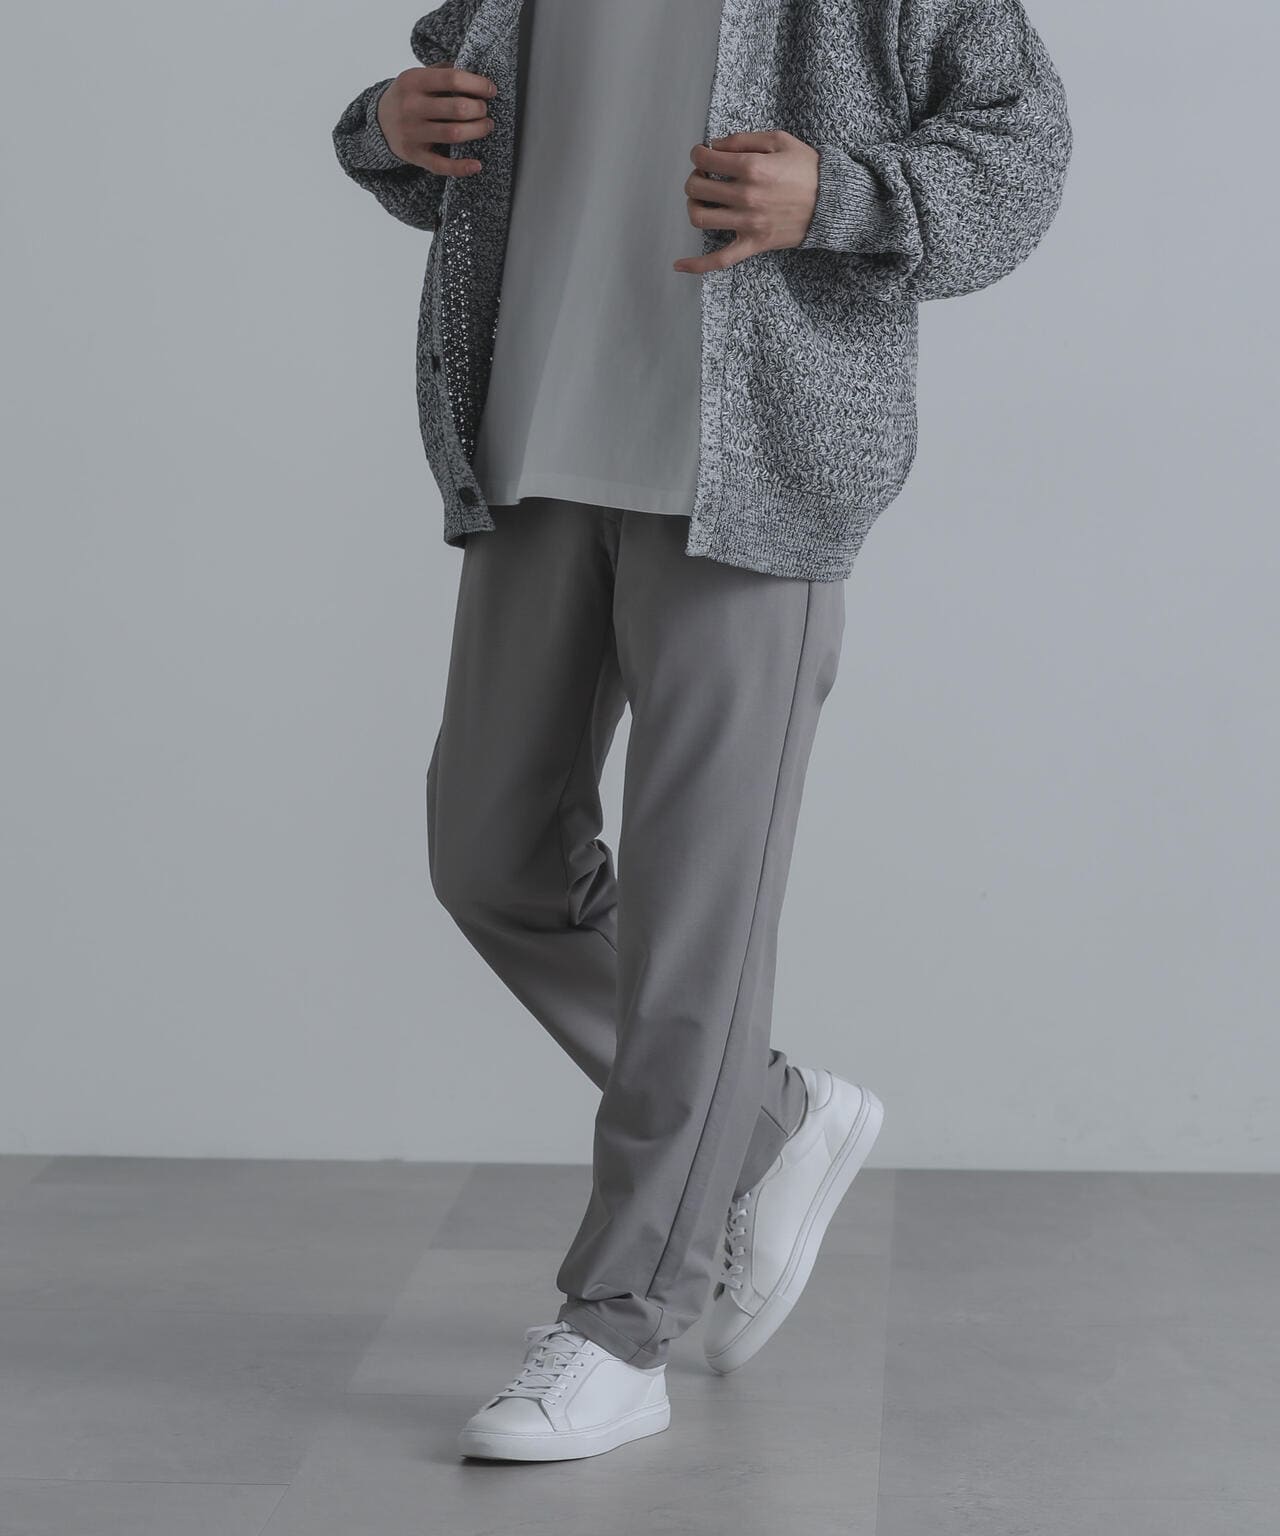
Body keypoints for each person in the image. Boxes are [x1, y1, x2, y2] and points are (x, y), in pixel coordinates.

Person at [333, 0, 1071, 1463]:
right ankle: (771, 1125)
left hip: (755, 476)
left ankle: (623, 1325)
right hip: (536, 442)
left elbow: (1020, 154)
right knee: (491, 858)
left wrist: (841, 192)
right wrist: (390, 130)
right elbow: (450, 137)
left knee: (696, 932)